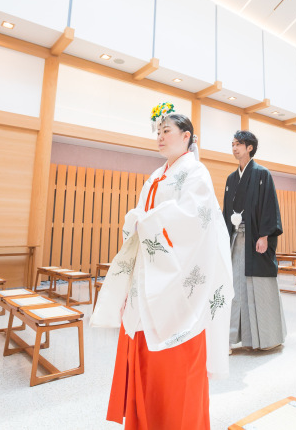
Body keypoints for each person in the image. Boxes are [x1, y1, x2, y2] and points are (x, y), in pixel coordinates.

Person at [91, 105, 234, 430]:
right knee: (146, 360)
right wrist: (137, 221)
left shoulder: (196, 173)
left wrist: (147, 220)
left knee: (177, 370)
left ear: (186, 137)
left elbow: (195, 222)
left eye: (166, 130)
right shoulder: (156, 176)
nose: (160, 136)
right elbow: (142, 220)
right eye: (158, 131)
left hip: (179, 283)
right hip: (148, 276)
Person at [223, 130, 286, 351]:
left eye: (238, 144)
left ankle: (266, 338)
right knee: (235, 287)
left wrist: (264, 235)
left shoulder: (262, 174)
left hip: (255, 239)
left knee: (258, 286)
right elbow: (226, 211)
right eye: (232, 144)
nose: (234, 148)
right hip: (235, 238)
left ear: (249, 147)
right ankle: (231, 337)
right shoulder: (231, 179)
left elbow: (269, 205)